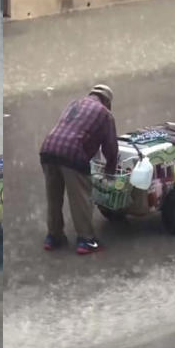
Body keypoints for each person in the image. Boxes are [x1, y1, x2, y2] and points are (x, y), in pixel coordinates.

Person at [39, 84, 118, 254]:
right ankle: (86, 240)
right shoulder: (105, 114)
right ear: (107, 101)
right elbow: (110, 147)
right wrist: (110, 171)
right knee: (81, 198)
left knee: (53, 197)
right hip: (72, 153)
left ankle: (53, 237)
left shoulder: (74, 104)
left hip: (48, 149)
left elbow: (74, 128)